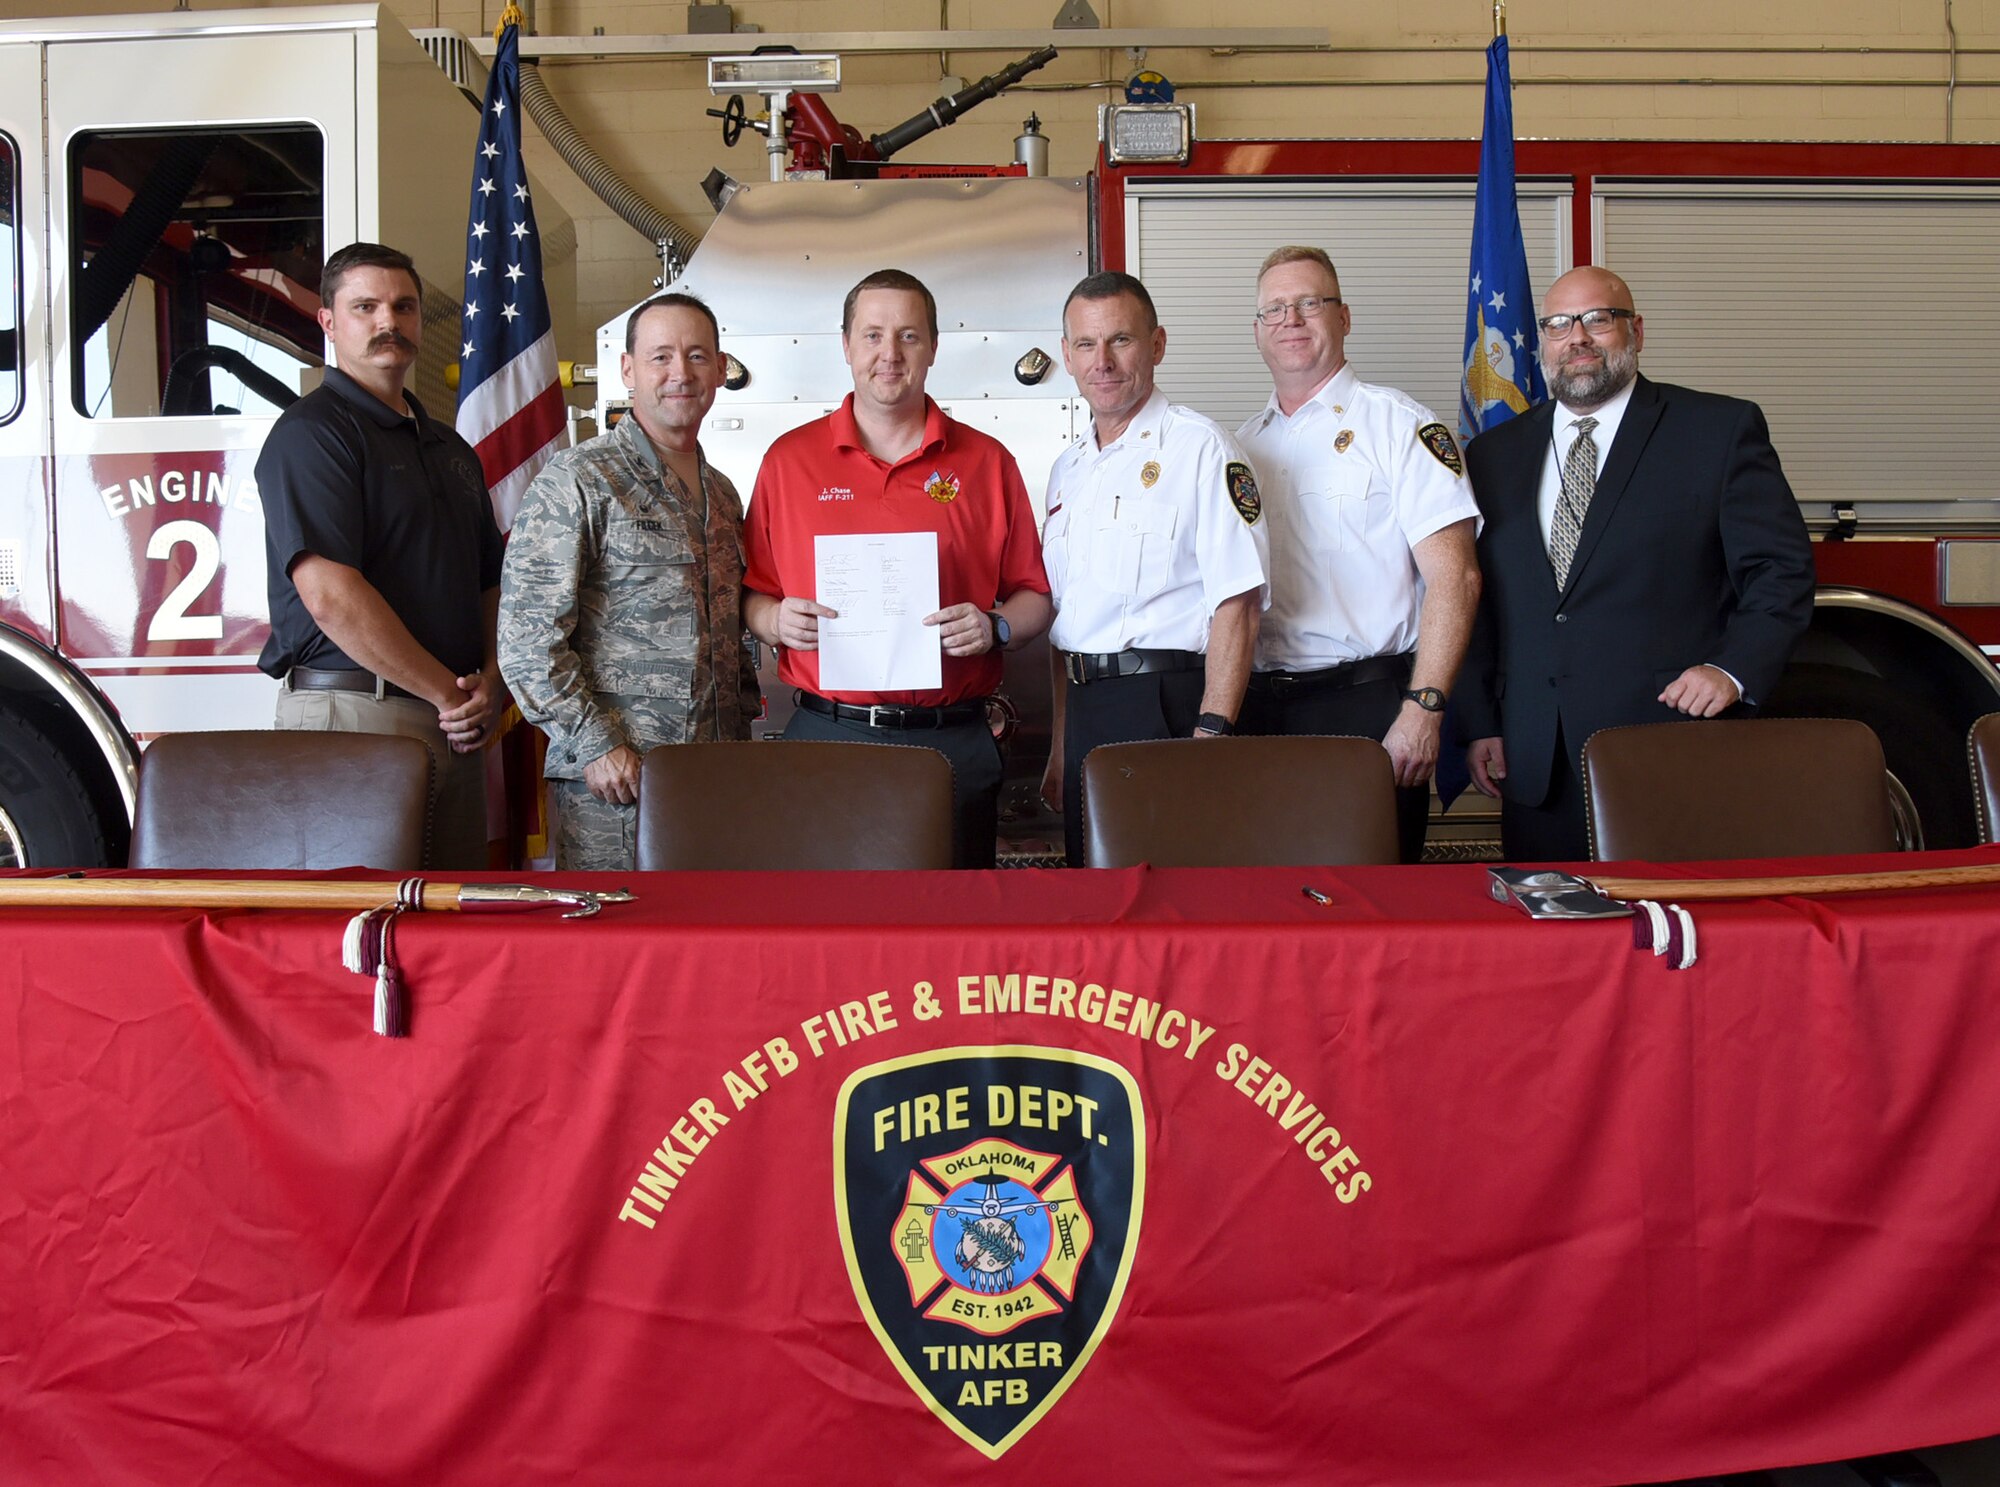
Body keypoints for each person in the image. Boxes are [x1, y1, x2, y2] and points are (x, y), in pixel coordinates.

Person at [1457, 265, 1814, 862]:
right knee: (1553, 941)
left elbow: (1781, 571)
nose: (1578, 339)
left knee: (1674, 936)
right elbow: (1479, 596)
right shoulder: (1494, 454)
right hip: (1535, 757)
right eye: (1558, 324)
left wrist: (1732, 670)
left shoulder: (1718, 431)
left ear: (1636, 331)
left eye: (1599, 319)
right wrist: (1480, 721)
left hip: (1666, 745)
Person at [740, 268, 1053, 870]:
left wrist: (997, 627)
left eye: (909, 336)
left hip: (953, 740)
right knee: (826, 933)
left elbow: (1034, 596)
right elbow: (753, 595)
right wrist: (775, 619)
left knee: (953, 936)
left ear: (933, 347)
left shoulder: (987, 463)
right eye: (874, 335)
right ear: (846, 345)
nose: (890, 354)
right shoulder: (788, 461)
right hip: (828, 736)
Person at [257, 240, 505, 871]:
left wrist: (491, 686)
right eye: (365, 306)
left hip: (453, 720)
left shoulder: (450, 448)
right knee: (357, 930)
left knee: (451, 927)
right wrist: (449, 697)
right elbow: (331, 598)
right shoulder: (312, 434)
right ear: (329, 321)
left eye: (404, 306)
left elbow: (488, 588)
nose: (388, 322)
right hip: (355, 714)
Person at [1235, 246, 1481, 864]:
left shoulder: (1402, 428)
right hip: (1260, 709)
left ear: (1344, 318)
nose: (1291, 319)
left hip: (1368, 707)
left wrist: (1424, 708)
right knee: (1263, 909)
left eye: (1310, 303)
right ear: (1257, 331)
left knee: (1373, 913)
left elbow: (1458, 578)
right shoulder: (1237, 447)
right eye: (1275, 309)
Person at [499, 294, 761, 871]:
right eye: (660, 357)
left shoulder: (721, 495)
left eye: (697, 356)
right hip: (616, 789)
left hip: (713, 779)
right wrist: (598, 745)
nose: (680, 374)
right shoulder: (579, 480)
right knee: (615, 951)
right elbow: (527, 642)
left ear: (721, 369)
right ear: (627, 370)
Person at [1040, 271, 1270, 867]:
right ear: (1067, 355)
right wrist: (1063, 741)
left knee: (1171, 895)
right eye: (1087, 345)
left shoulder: (1202, 448)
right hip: (1087, 708)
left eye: (1122, 340)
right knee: (1090, 889)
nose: (1104, 361)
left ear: (1158, 345)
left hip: (1166, 705)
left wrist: (1212, 733)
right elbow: (1069, 620)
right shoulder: (1068, 469)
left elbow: (1238, 604)